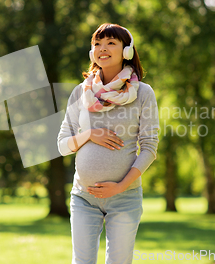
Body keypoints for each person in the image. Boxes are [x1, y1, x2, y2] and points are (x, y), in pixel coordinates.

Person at [57, 23, 160, 264]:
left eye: (111, 43)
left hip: (125, 196)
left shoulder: (143, 94)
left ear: (127, 51)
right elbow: (62, 145)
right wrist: (89, 134)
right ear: (92, 52)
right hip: (83, 196)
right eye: (97, 44)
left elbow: (149, 147)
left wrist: (121, 186)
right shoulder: (80, 93)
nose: (103, 48)